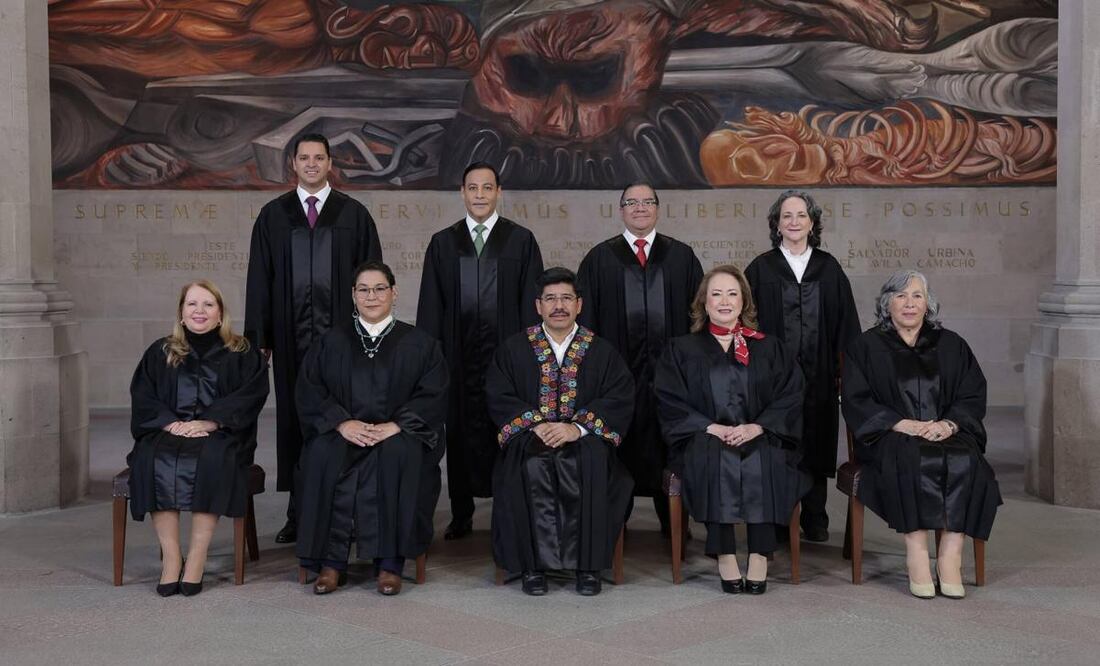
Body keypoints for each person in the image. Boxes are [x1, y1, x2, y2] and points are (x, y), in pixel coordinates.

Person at [244, 133, 382, 544]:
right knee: (295, 421)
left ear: (329, 163)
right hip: (290, 341)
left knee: (345, 417)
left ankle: (349, 507)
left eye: (318, 157)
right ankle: (298, 512)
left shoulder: (353, 215)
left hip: (343, 341)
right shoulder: (273, 215)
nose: (310, 164)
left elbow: (372, 278)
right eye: (303, 158)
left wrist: (368, 330)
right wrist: (261, 336)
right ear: (293, 164)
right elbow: (259, 280)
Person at [842, 270, 1001, 599]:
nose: (909, 303)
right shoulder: (867, 346)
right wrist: (902, 424)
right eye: (900, 296)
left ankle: (950, 556)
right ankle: (916, 554)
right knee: (912, 456)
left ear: (928, 304)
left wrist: (949, 424)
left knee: (966, 458)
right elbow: (857, 399)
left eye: (917, 296)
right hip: (890, 436)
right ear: (887, 304)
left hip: (947, 431)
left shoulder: (952, 345)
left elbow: (972, 395)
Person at [294, 261, 448, 596]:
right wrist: (341, 422)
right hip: (344, 432)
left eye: (380, 289)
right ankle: (331, 562)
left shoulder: (420, 343)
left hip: (397, 433)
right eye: (363, 289)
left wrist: (398, 425)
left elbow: (433, 394)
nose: (372, 296)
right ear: (353, 295)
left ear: (394, 293)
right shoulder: (330, 342)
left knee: (399, 455)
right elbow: (309, 390)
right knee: (323, 453)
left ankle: (390, 564)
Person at [655, 265, 809, 594]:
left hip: (760, 434)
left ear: (744, 302)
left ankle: (759, 554)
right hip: (705, 437)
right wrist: (710, 427)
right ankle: (725, 554)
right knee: (714, 455)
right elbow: (669, 400)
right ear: (704, 302)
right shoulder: (682, 349)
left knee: (765, 455)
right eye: (716, 293)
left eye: (732, 293)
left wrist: (758, 427)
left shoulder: (770, 348)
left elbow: (790, 395)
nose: (724, 301)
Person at [487, 267, 635, 596]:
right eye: (550, 298)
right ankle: (533, 566)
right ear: (538, 305)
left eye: (566, 298)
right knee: (530, 465)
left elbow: (619, 396)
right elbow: (499, 395)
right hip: (531, 437)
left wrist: (577, 428)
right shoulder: (514, 349)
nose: (559, 306)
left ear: (579, 304)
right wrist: (536, 424)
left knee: (592, 462)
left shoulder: (601, 350)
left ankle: (588, 566)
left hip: (584, 438)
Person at [417, 161, 544, 540]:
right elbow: (431, 305)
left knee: (507, 429)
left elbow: (530, 303)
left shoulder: (521, 240)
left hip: (505, 359)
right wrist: (431, 358)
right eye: (473, 188)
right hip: (457, 357)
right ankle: (461, 512)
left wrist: (526, 357)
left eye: (487, 188)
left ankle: (508, 508)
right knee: (458, 432)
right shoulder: (443, 242)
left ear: (498, 192)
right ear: (462, 192)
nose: (480, 195)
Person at [128, 280, 269, 597]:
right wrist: (167, 423)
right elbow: (144, 395)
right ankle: (172, 557)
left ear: (220, 314)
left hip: (221, 434)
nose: (199, 311)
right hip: (169, 432)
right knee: (153, 456)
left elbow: (249, 396)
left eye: (208, 304)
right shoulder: (161, 351)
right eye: (192, 304)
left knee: (212, 458)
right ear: (181, 313)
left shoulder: (242, 352)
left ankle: (197, 557)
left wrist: (210, 422)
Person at [577, 182, 703, 536]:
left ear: (658, 209)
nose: (640, 208)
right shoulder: (601, 259)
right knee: (619, 442)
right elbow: (586, 324)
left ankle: (674, 518)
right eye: (631, 202)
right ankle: (617, 517)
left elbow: (698, 318)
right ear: (621, 210)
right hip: (619, 379)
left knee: (671, 439)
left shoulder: (681, 257)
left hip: (670, 378)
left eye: (648, 202)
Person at [745, 190, 860, 542]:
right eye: (786, 216)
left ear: (812, 224)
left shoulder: (829, 268)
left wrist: (846, 375)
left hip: (821, 375)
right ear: (776, 225)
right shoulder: (761, 268)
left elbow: (846, 326)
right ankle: (779, 518)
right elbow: (747, 323)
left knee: (816, 440)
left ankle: (815, 514)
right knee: (778, 441)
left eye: (801, 216)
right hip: (773, 379)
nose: (793, 222)